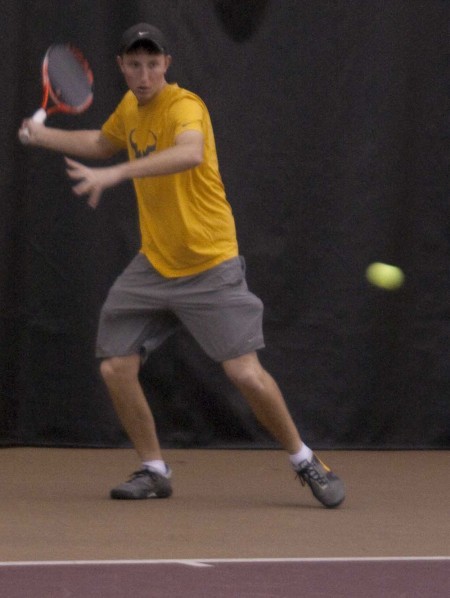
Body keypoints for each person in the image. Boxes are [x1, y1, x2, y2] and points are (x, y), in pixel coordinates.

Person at [19, 23, 345, 508]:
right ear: (122, 67)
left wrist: (117, 174)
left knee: (245, 374)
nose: (144, 74)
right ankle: (154, 469)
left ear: (166, 64)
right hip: (155, 264)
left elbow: (188, 152)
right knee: (115, 366)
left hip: (209, 262)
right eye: (135, 65)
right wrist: (44, 137)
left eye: (153, 64)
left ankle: (304, 460)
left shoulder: (185, 106)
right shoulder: (131, 107)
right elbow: (101, 143)